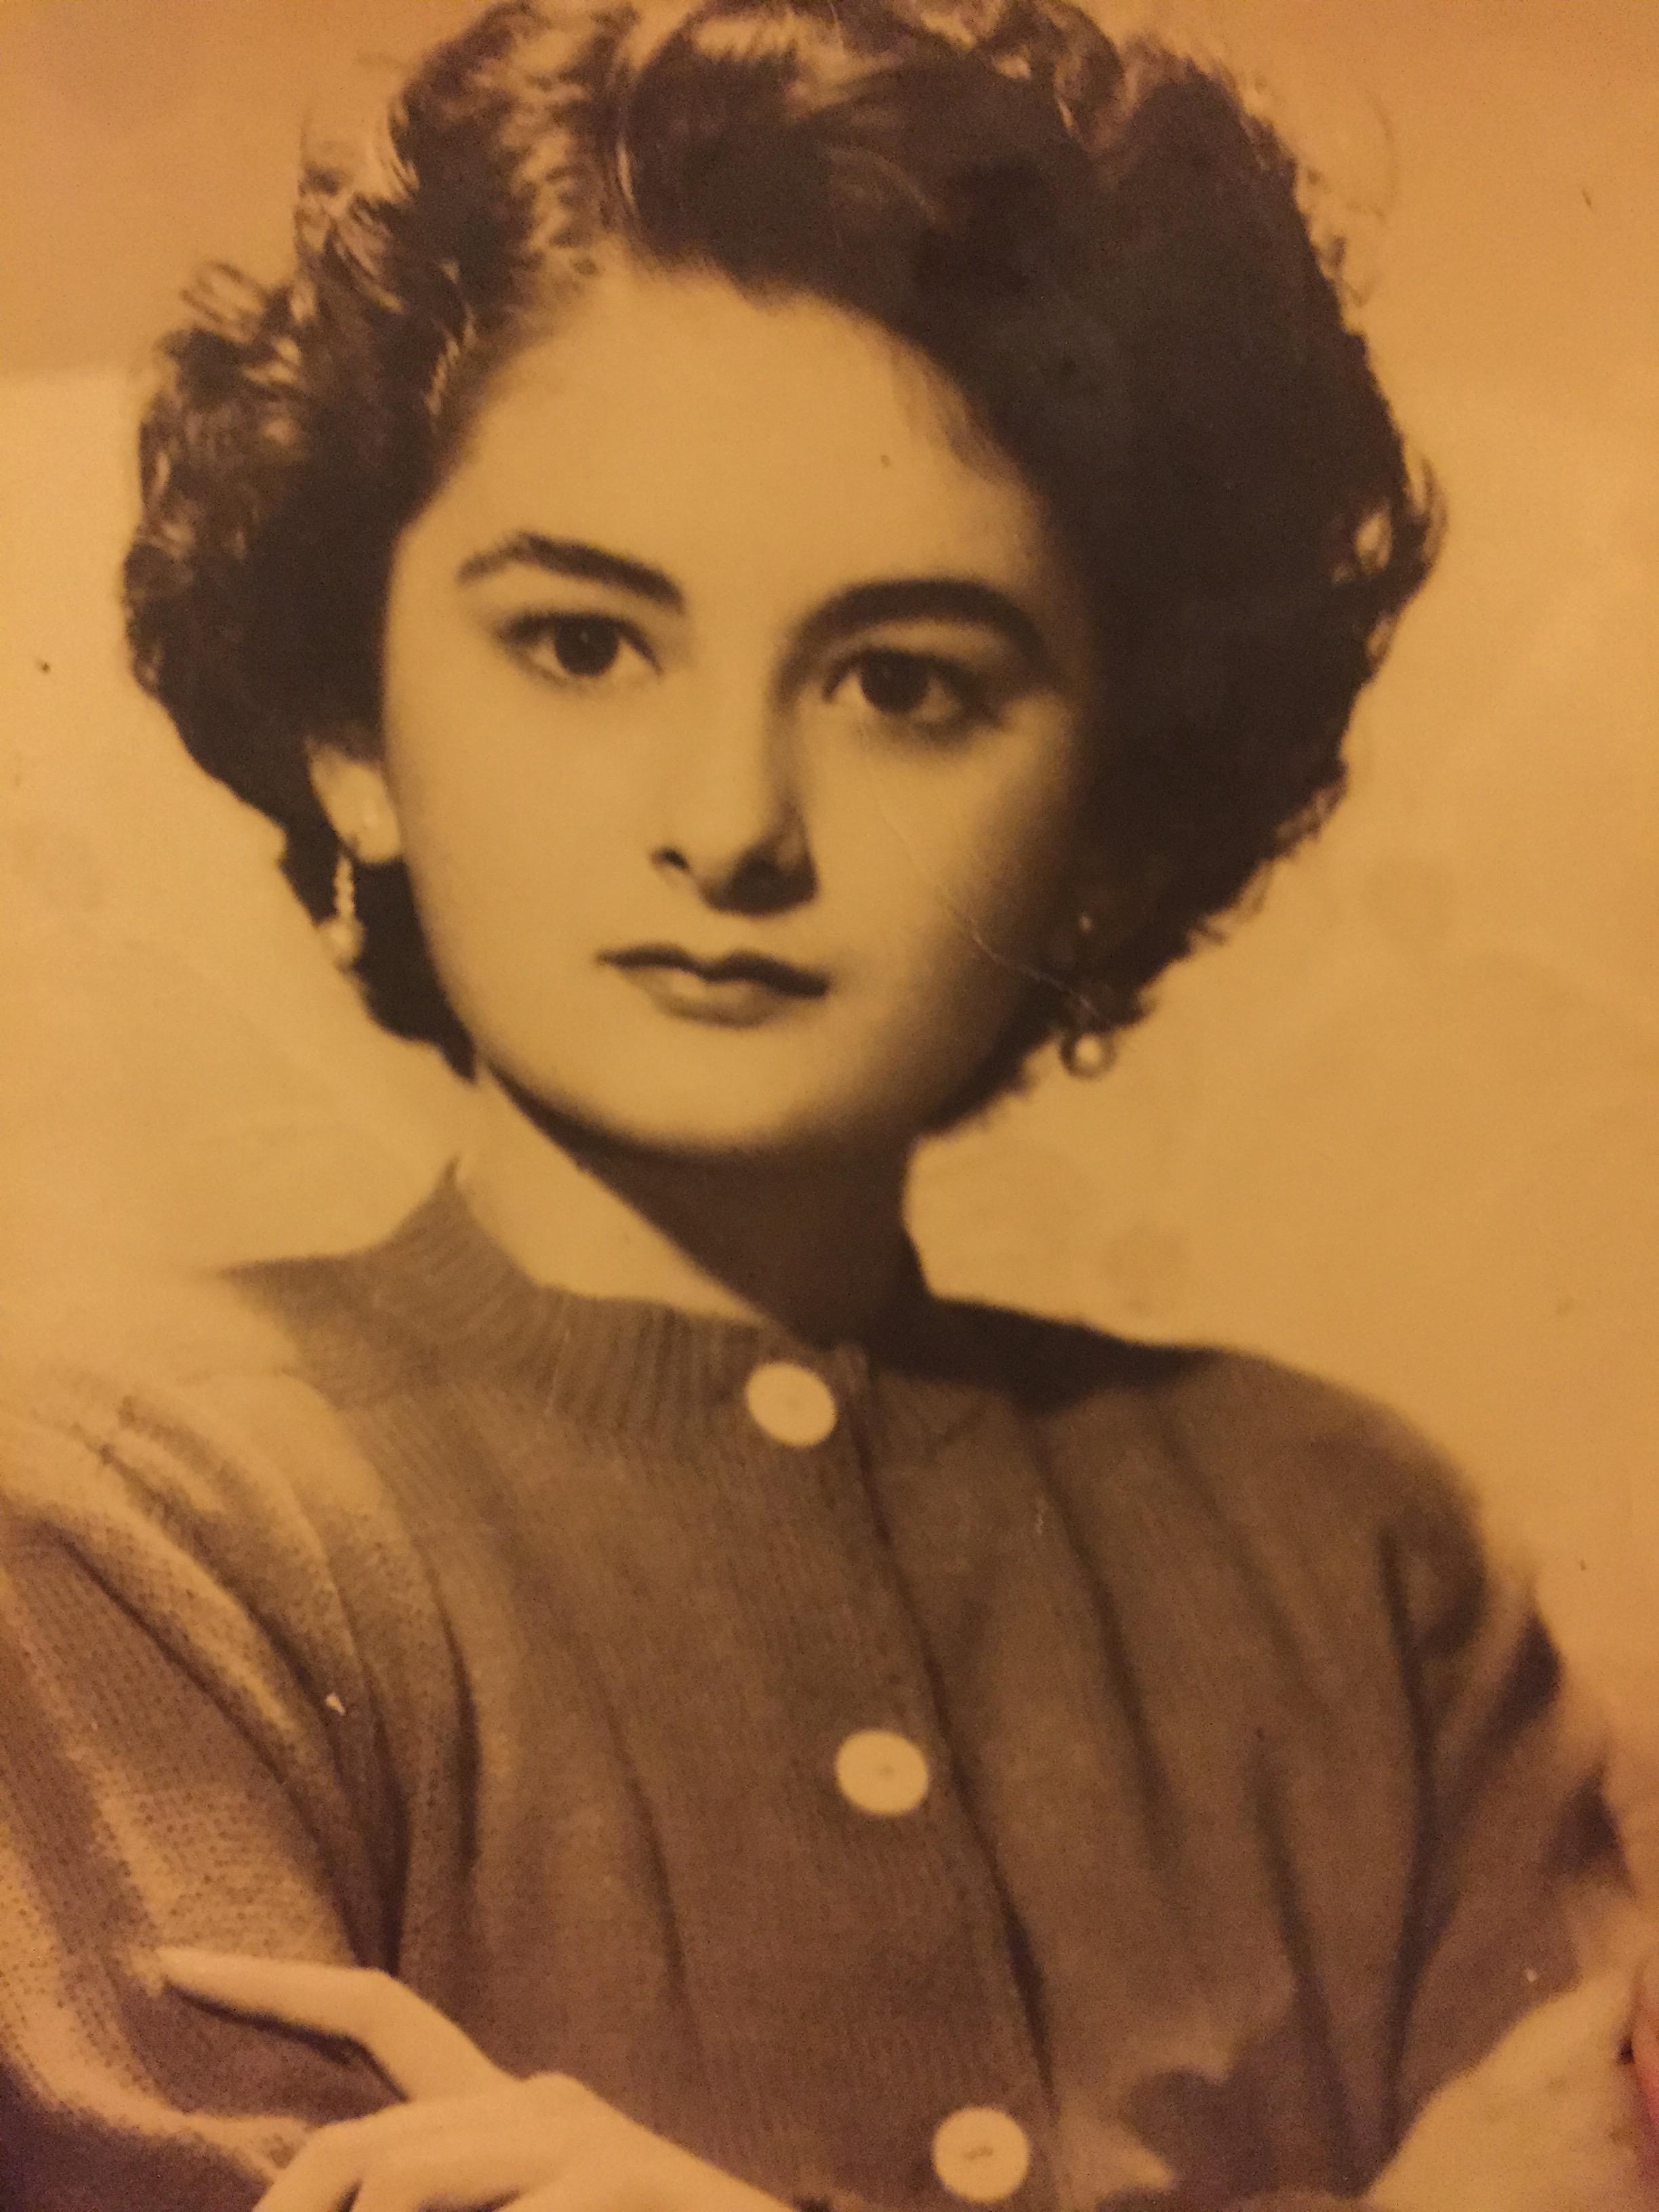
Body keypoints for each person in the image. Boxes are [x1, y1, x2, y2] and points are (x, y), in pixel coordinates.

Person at [0, 0, 1654, 2205]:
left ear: (1122, 807)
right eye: (583, 645)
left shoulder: (1364, 1565)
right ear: (348, 723)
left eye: (903, 683)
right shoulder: (132, 1543)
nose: (733, 824)